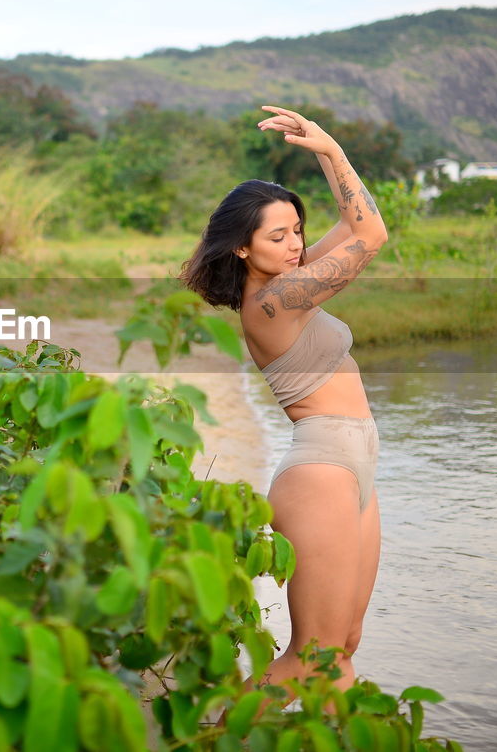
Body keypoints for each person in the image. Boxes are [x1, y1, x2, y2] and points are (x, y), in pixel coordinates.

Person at [180, 105, 388, 709]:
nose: (295, 244)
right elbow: (372, 237)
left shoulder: (287, 281)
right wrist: (330, 151)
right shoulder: (272, 305)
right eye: (279, 235)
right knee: (312, 655)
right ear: (242, 249)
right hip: (321, 467)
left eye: (298, 230)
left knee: (343, 645)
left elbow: (356, 224)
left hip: (358, 463)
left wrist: (327, 149)